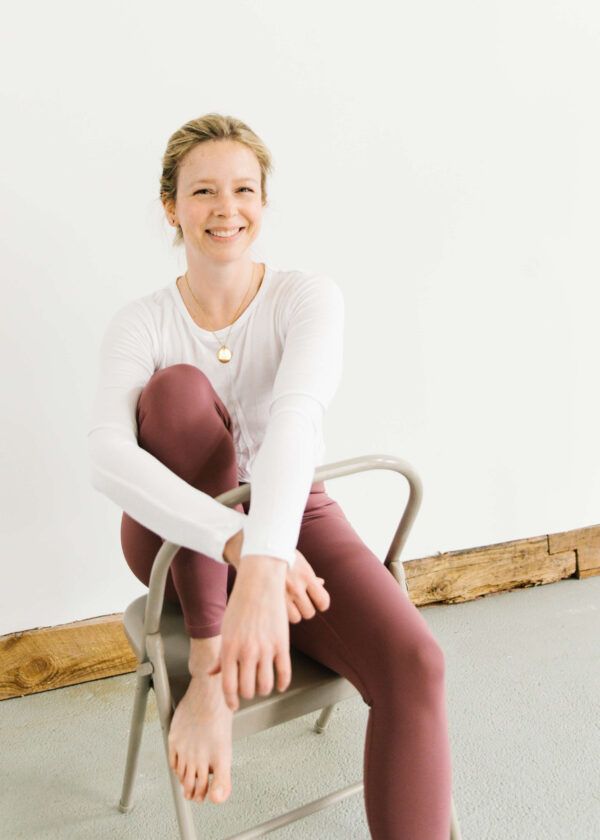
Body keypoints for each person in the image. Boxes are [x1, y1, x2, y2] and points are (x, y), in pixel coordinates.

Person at [87, 113, 452, 839]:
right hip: (175, 538)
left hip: (292, 515)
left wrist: (266, 559)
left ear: (263, 201)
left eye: (244, 189)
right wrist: (244, 548)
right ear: (171, 207)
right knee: (177, 393)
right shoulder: (142, 323)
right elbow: (107, 455)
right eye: (203, 192)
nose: (227, 209)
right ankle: (211, 665)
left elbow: (295, 423)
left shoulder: (305, 296)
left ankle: (218, 675)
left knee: (418, 665)